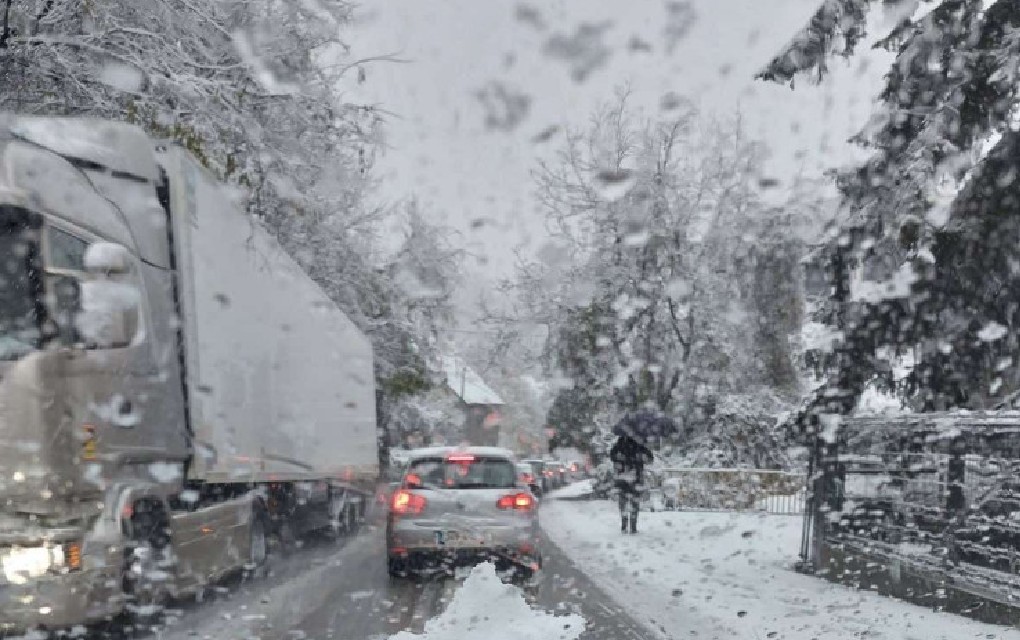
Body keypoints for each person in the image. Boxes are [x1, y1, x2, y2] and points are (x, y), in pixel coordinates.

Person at [610, 434, 653, 534]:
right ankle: (631, 525)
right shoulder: (638, 445)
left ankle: (626, 525)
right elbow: (649, 458)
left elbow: (613, 456)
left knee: (625, 501)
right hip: (633, 476)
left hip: (625, 476)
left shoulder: (621, 444)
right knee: (633, 501)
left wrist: (620, 460)